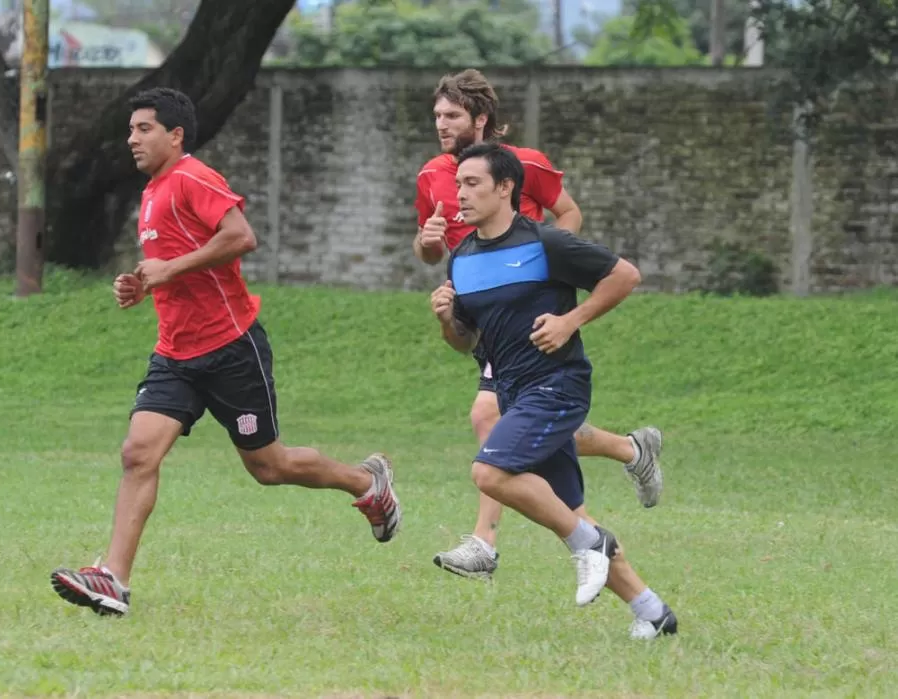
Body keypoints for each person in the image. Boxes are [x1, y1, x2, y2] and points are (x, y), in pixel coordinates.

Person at [50, 87, 401, 617]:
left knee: (269, 466)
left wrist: (169, 268)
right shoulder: (151, 191)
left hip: (230, 347)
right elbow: (176, 265)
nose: (132, 139)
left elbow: (240, 237)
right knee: (137, 452)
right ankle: (113, 580)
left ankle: (366, 483)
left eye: (144, 129)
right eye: (130, 130)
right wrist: (145, 284)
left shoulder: (193, 176)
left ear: (175, 135)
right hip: (174, 352)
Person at [414, 69, 664, 580]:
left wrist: (544, 273)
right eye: (437, 115)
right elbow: (428, 253)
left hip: (529, 317)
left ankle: (485, 544)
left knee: (490, 417)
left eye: (452, 115)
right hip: (482, 317)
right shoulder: (430, 175)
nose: (441, 124)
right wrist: (430, 240)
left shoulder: (525, 164)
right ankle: (629, 450)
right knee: (525, 428)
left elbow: (567, 215)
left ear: (480, 119)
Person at [430, 142, 677, 639]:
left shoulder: (545, 242)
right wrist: (445, 321)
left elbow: (624, 276)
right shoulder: (462, 259)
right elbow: (467, 343)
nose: (461, 193)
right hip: (513, 391)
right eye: (459, 184)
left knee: (489, 471)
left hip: (558, 385)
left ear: (505, 188)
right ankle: (653, 611)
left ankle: (590, 545)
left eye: (473, 183)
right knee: (569, 510)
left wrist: (571, 320)